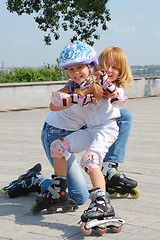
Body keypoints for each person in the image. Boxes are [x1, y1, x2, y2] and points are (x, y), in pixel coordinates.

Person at [31, 42, 128, 234]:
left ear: (91, 66)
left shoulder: (102, 82)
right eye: (71, 69)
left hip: (105, 129)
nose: (76, 73)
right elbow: (55, 101)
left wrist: (110, 91)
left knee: (89, 160)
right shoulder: (74, 86)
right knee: (57, 146)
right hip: (83, 130)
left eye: (80, 67)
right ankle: (58, 188)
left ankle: (102, 203)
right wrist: (79, 97)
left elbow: (121, 100)